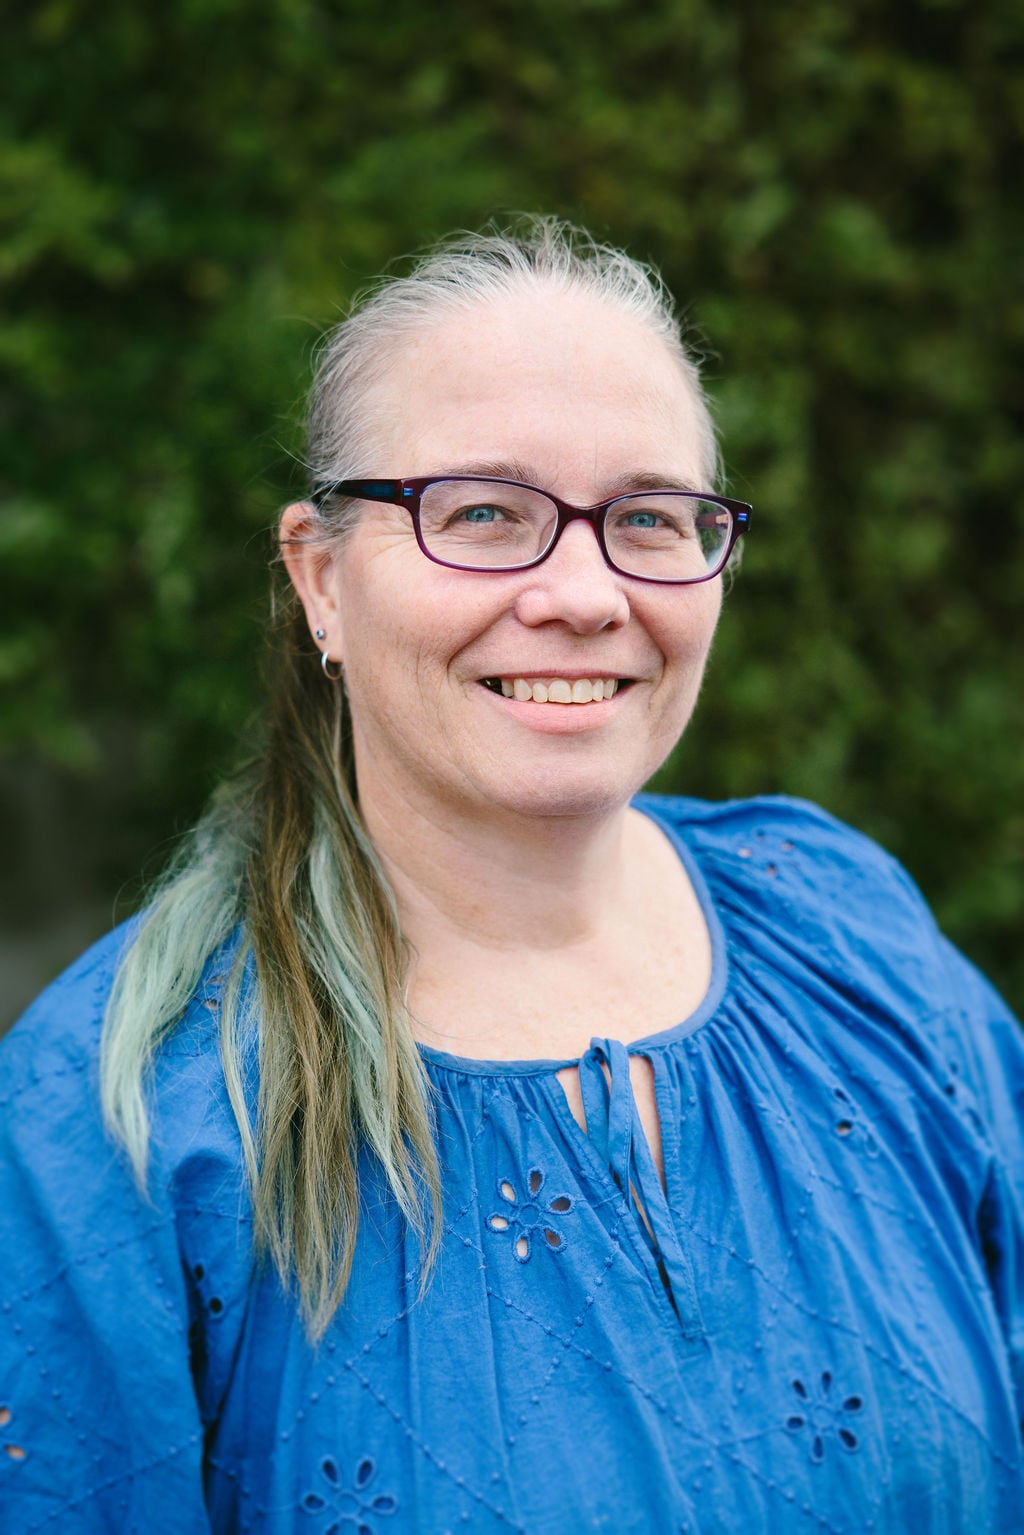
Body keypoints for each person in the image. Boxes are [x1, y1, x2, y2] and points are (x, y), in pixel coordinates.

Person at [1, 218, 1022, 1535]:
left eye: (650, 518)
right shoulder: (121, 1119)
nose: (585, 592)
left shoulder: (848, 928)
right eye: (483, 513)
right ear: (320, 576)